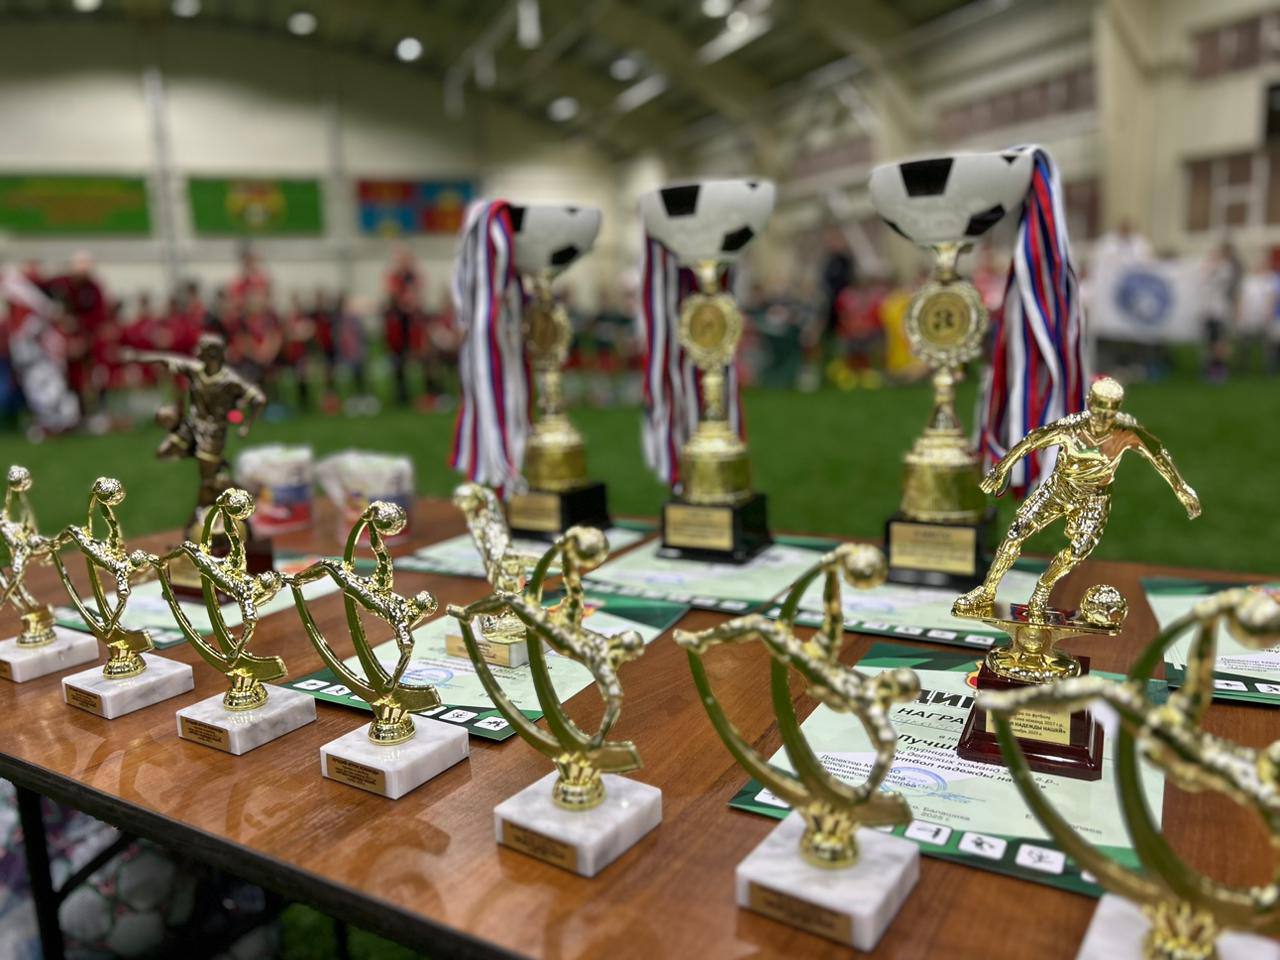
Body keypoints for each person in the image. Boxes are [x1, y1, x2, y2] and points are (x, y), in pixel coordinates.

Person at [954, 377, 1200, 620]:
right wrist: (1001, 469)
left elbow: (1158, 455)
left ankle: (1042, 590)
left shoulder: (1127, 431)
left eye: (1109, 412)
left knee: (1079, 549)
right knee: (1016, 532)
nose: (1103, 418)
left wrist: (1181, 488)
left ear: (1117, 410)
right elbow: (1031, 441)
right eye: (1099, 409)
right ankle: (987, 591)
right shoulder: (1071, 427)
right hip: (1059, 488)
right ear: (1089, 403)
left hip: (1095, 497)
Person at [122, 333, 265, 508]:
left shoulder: (230, 380)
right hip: (192, 425)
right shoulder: (195, 370)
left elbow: (259, 399)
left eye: (201, 349)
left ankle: (241, 497)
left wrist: (247, 426)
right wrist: (137, 356)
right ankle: (212, 463)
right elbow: (164, 359)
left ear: (212, 354)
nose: (197, 352)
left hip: (213, 432)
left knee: (210, 481)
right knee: (164, 452)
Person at [1201, 239, 1243, 383]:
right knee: (1210, 340)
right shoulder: (1209, 268)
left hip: (1220, 310)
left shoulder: (1226, 268)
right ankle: (1211, 366)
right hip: (1208, 311)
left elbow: (1222, 280)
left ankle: (1220, 367)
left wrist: (1213, 266)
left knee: (1220, 341)